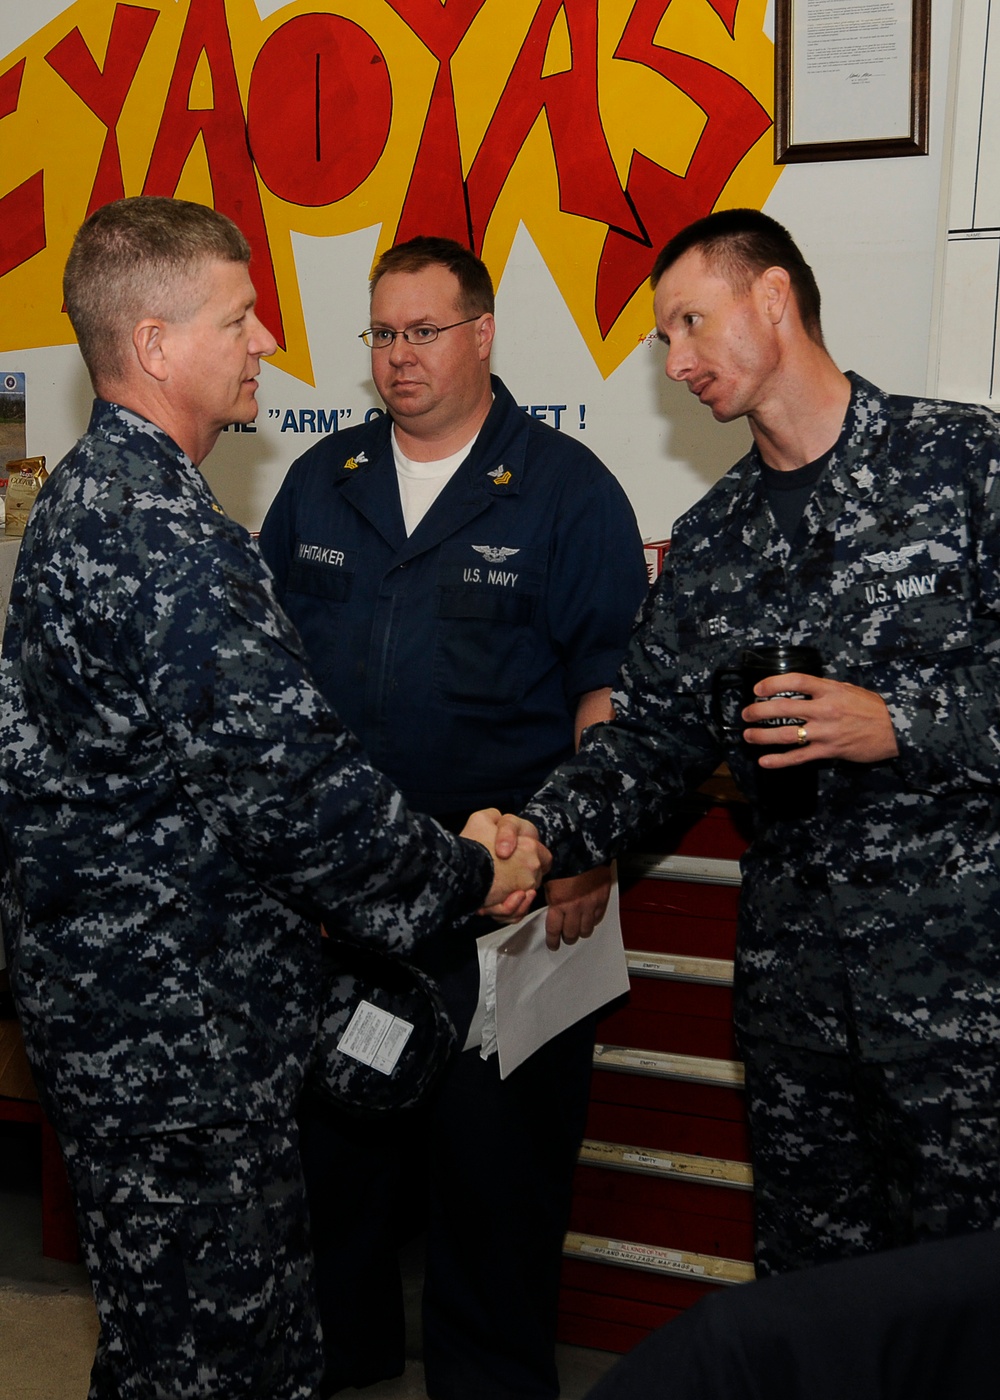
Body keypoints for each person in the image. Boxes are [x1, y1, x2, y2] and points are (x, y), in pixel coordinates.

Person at [0, 197, 548, 1400]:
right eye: (240, 317)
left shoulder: (89, 501)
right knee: (224, 1360)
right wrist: (467, 870)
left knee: (163, 1343)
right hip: (178, 1043)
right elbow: (296, 797)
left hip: (121, 1019)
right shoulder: (166, 537)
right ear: (154, 343)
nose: (265, 344)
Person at [500, 206, 1000, 1277]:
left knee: (965, 1307)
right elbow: (646, 746)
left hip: (965, 1004)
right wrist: (536, 837)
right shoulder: (716, 536)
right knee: (811, 1306)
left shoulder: (962, 464)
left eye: (690, 323)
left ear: (773, 298)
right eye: (662, 341)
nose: (676, 362)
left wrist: (900, 724)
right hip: (798, 1006)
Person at [258, 235, 648, 1399]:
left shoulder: (566, 491)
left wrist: (586, 846)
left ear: (482, 334)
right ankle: (345, 1369)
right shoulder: (319, 480)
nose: (397, 357)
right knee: (336, 1181)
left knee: (497, 1188)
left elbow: (609, 688)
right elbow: (266, 680)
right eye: (381, 333)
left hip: (508, 904)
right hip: (346, 910)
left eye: (423, 331)